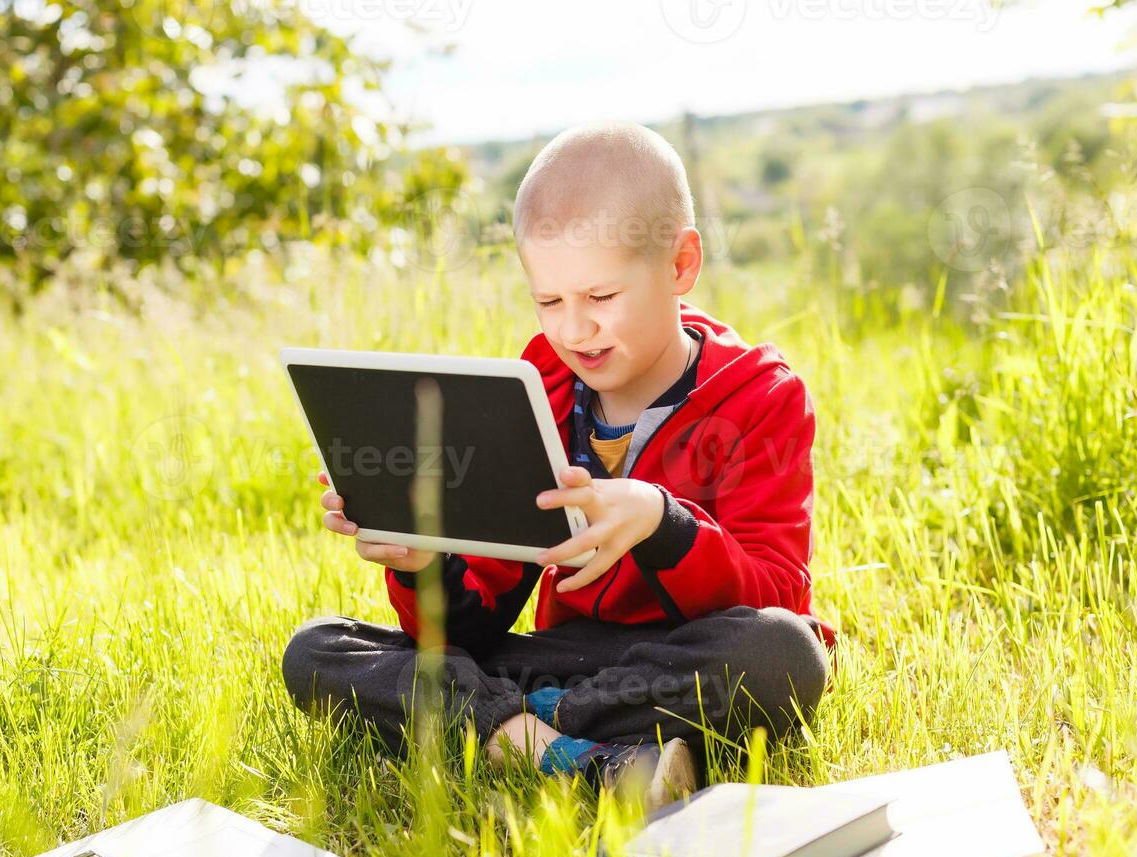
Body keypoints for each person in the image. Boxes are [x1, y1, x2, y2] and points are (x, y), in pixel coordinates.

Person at [282, 121, 834, 810]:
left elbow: (777, 595)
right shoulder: (536, 381)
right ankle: (577, 755)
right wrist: (419, 559)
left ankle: (508, 732)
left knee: (786, 655)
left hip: (688, 659)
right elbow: (472, 628)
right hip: (565, 658)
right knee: (319, 651)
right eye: (549, 301)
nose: (574, 331)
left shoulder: (761, 396)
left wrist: (662, 524)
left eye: (601, 298)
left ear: (680, 265)